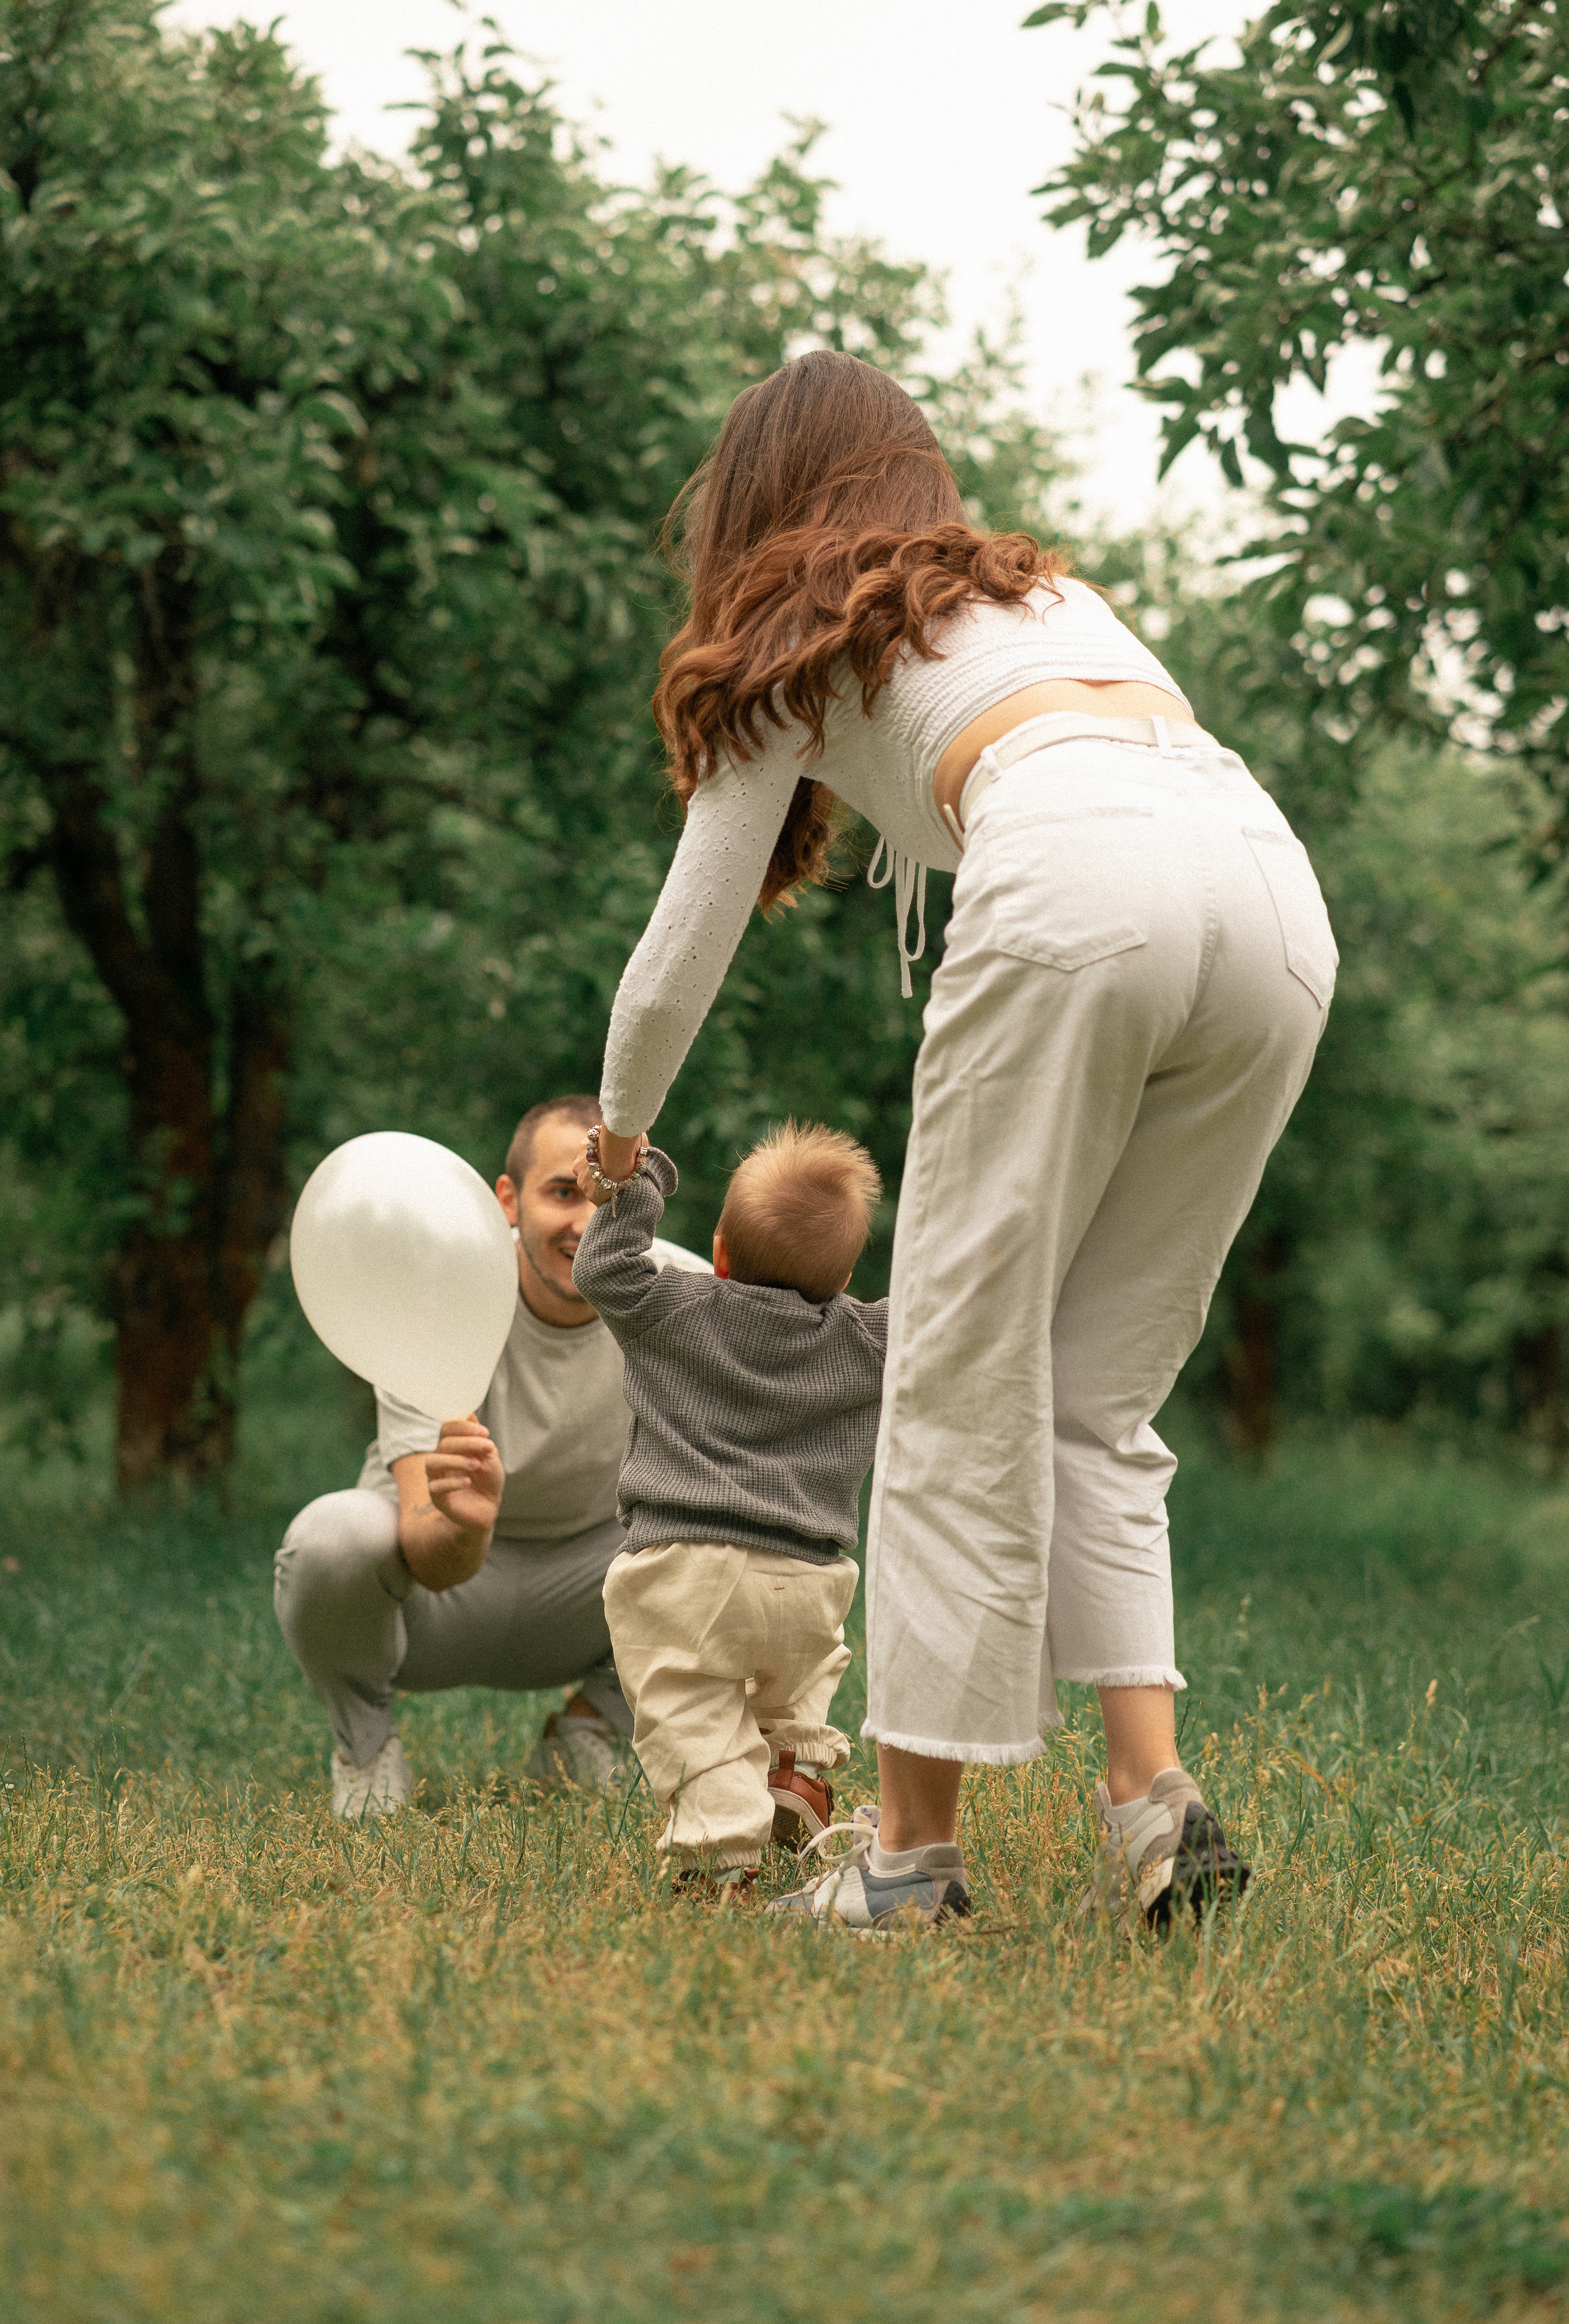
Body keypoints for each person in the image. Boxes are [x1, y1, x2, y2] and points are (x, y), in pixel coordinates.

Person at [588, 349, 1337, 1931]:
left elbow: (676, 956)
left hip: (1075, 875)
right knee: (1096, 1390)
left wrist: (619, 1133)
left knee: (950, 1368)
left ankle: (908, 1861)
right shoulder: (1031, 590)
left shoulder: (795, 630)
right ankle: (1151, 1798)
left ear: (755, 499)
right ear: (909, 467)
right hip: (1266, 892)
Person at [273, 1094, 709, 1818]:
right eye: (563, 1193)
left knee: (741, 1531)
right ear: (507, 1199)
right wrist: (467, 1523)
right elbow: (432, 1553)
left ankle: (592, 1726)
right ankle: (366, 1746)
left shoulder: (686, 1299)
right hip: (439, 1601)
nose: (588, 1223)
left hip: (595, 1591)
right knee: (330, 1540)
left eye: (612, 1197)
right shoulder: (435, 1292)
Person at [569, 1120, 887, 1897]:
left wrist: (634, 1180)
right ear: (844, 1278)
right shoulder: (873, 1340)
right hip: (813, 1578)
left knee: (692, 1714)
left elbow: (603, 1265)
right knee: (799, 1673)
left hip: (689, 1569)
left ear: (717, 1252)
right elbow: (951, 1319)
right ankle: (797, 1768)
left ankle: (720, 1861)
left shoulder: (672, 1309)